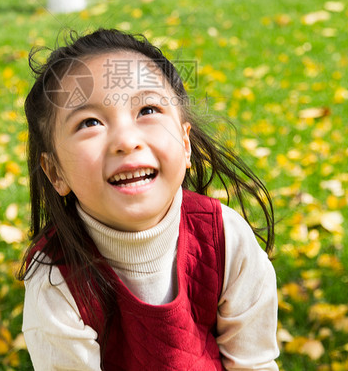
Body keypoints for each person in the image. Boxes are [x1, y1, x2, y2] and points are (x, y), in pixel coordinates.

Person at [18, 28, 279, 370]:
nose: (126, 140)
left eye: (148, 110)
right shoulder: (55, 282)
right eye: (89, 122)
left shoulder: (226, 238)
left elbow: (253, 363)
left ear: (185, 144)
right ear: (56, 173)